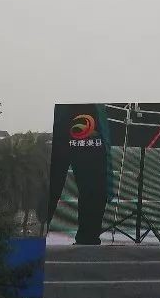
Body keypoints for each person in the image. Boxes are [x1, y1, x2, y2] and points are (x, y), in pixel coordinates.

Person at [46, 105, 114, 245]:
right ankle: (30, 236)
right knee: (47, 183)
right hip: (55, 109)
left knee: (93, 187)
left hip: (87, 111)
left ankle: (88, 242)